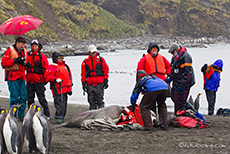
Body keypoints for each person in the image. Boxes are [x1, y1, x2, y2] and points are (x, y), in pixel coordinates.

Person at [136, 41, 171, 113]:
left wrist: (167, 74)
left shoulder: (162, 58)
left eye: (156, 48)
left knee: (161, 104)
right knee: (151, 104)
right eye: (153, 48)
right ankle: (154, 119)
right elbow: (139, 70)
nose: (154, 50)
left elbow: (169, 67)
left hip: (161, 83)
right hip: (150, 84)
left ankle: (162, 122)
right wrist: (142, 82)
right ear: (149, 50)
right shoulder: (144, 59)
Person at [1, 36, 27, 121]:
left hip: (21, 77)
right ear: (17, 43)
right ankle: (12, 115)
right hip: (12, 78)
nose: (23, 46)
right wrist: (15, 60)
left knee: (23, 97)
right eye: (22, 44)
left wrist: (26, 63)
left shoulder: (23, 51)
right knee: (14, 97)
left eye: (24, 45)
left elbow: (26, 61)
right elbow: (3, 63)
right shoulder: (9, 51)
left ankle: (21, 115)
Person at [166, 43, 195, 114]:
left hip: (185, 82)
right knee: (174, 97)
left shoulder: (185, 57)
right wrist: (170, 77)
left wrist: (182, 85)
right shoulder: (175, 57)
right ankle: (180, 112)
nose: (172, 54)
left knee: (180, 100)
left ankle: (182, 113)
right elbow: (172, 69)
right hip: (177, 81)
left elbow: (188, 73)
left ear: (177, 49)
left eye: (172, 52)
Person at [44, 51, 73, 123]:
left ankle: (62, 116)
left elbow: (69, 76)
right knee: (59, 103)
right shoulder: (52, 67)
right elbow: (47, 76)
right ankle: (58, 117)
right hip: (57, 88)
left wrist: (70, 88)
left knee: (64, 104)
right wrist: (55, 79)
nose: (60, 59)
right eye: (59, 58)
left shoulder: (65, 66)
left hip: (65, 88)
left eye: (61, 58)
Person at [26, 39, 50, 119]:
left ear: (38, 46)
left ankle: (47, 114)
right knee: (30, 98)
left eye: (35, 46)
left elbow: (46, 68)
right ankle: (31, 113)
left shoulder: (41, 56)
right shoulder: (28, 55)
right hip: (30, 79)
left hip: (38, 80)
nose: (34, 47)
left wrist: (45, 80)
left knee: (41, 98)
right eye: (32, 46)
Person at [81, 44, 109, 110]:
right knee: (91, 101)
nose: (93, 53)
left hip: (99, 83)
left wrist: (106, 80)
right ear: (89, 52)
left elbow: (105, 70)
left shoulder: (101, 60)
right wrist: (83, 82)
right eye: (92, 52)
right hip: (89, 83)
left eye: (94, 52)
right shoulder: (85, 61)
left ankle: (101, 114)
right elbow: (83, 73)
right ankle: (92, 114)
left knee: (100, 100)